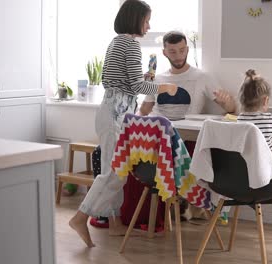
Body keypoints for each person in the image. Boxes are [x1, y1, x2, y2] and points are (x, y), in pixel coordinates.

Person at [69, 0, 177, 248]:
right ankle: (81, 216)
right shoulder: (130, 44)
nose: (149, 26)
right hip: (115, 114)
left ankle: (114, 222)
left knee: (116, 170)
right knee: (113, 173)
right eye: (147, 20)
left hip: (116, 112)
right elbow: (137, 86)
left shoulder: (118, 43)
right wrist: (164, 87)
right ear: (135, 19)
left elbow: (124, 82)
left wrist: (144, 80)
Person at [139, 31, 237, 119]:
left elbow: (231, 108)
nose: (178, 56)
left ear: (187, 50)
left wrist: (227, 102)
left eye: (182, 50)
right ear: (165, 53)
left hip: (186, 133)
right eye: (172, 52)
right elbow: (143, 111)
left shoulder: (202, 77)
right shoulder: (157, 79)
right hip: (156, 132)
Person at [236, 69, 272, 150]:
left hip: (245, 162)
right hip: (265, 163)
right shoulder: (271, 120)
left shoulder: (240, 119)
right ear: (265, 100)